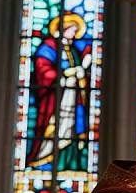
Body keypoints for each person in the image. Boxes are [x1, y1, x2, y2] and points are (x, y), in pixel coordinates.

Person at [27, 12, 91, 172]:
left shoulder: (73, 50)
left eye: (76, 31)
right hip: (54, 99)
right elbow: (43, 70)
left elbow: (80, 73)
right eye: (72, 30)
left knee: (70, 129)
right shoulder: (49, 47)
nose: (74, 34)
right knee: (54, 128)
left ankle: (67, 162)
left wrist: (82, 70)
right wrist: (64, 75)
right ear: (63, 29)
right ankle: (44, 159)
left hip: (72, 98)